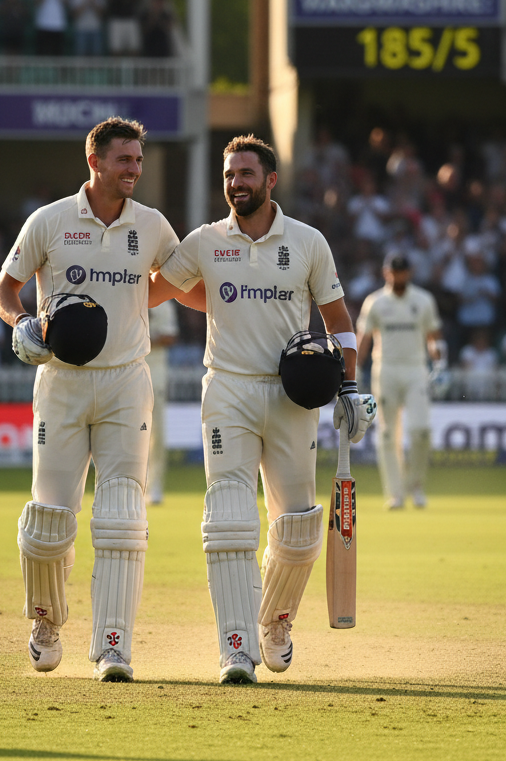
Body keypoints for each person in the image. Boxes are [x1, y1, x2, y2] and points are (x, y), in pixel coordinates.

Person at [152, 135, 375, 685]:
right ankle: (235, 647)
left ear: (270, 180)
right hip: (227, 389)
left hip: (292, 394)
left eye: (246, 174)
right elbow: (158, 290)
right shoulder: (206, 241)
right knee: (229, 519)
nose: (236, 183)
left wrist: (349, 387)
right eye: (229, 174)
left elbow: (339, 322)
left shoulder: (307, 241)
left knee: (297, 530)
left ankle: (275, 623)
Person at [0, 117, 205, 683]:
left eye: (138, 160)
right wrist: (21, 322)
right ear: (95, 161)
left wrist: (245, 304)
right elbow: (4, 288)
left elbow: (185, 285)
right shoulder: (50, 220)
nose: (134, 169)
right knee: (48, 521)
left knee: (122, 519)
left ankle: (113, 644)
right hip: (61, 382)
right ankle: (45, 621)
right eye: (124, 160)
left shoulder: (152, 225)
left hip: (125, 383)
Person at [357, 251, 445, 510]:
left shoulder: (423, 300)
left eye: (402, 272)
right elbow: (364, 338)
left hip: (416, 369)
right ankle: (395, 493)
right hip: (386, 369)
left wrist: (440, 363)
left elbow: (434, 336)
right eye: (394, 272)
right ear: (386, 273)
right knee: (387, 434)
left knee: (420, 431)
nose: (398, 277)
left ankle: (416, 486)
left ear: (409, 273)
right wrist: (355, 370)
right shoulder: (375, 302)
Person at [146, 299, 178, 505]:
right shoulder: (125, 294)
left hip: (154, 374)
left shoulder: (163, 304)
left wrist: (138, 338)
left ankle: (154, 488)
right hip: (125, 373)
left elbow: (169, 336)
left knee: (156, 434)